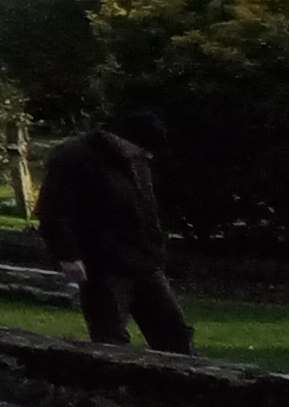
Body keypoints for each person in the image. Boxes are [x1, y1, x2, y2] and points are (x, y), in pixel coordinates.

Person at [35, 111, 194, 354]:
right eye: (143, 148)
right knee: (111, 338)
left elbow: (146, 210)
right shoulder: (76, 158)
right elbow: (54, 209)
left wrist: (156, 250)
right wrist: (67, 253)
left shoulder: (136, 163)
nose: (147, 156)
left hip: (144, 260)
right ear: (122, 139)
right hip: (102, 264)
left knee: (175, 332)